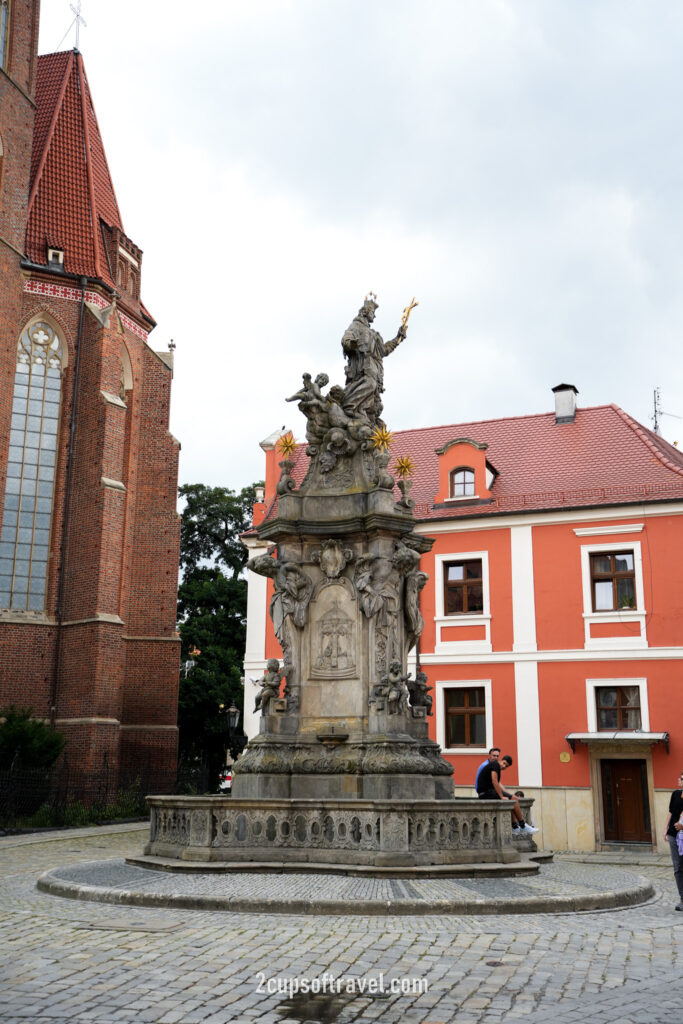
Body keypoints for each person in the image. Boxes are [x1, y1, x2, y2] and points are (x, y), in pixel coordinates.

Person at [476, 754, 538, 837]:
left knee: (512, 799)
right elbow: (494, 781)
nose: (504, 766)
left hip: (487, 792)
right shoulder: (495, 765)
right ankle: (522, 826)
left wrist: (507, 794)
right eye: (504, 763)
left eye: (506, 766)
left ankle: (515, 827)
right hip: (486, 793)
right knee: (514, 799)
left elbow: (497, 784)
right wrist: (501, 796)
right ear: (501, 760)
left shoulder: (495, 767)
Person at [663, 771, 683, 910]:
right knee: (677, 868)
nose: (679, 779)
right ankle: (682, 899)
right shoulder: (675, 794)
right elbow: (671, 811)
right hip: (673, 835)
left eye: (681, 778)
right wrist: (665, 829)